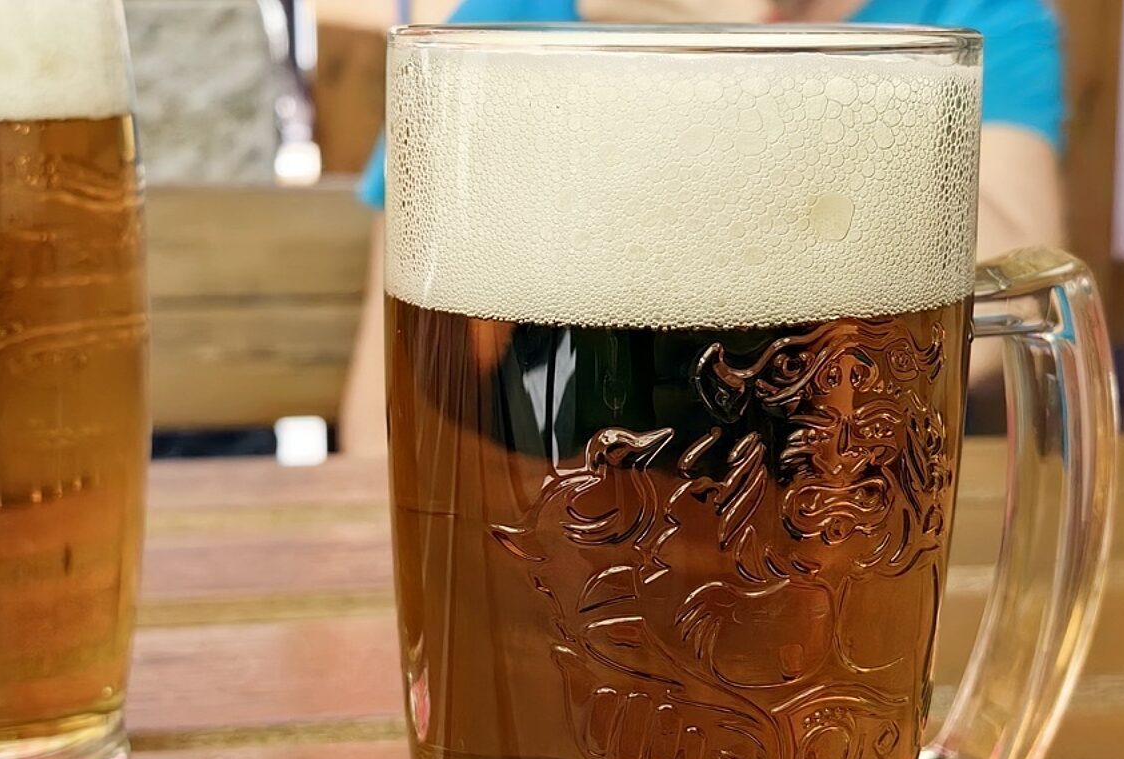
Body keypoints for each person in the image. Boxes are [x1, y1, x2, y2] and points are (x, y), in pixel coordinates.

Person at [342, 0, 1067, 454]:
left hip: (830, 509)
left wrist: (740, 56)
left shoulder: (965, 17)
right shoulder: (493, 30)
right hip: (541, 512)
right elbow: (385, 411)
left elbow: (1013, 295)